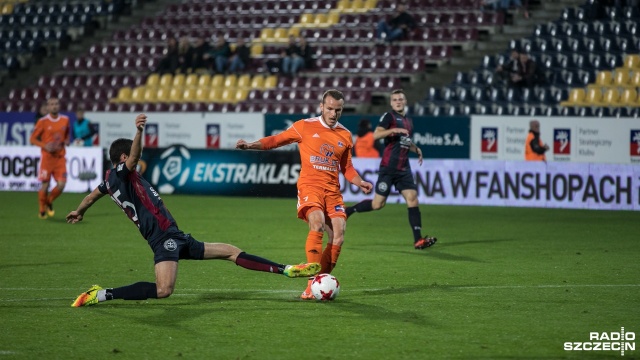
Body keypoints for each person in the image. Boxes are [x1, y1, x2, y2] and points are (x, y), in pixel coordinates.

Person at [67, 114, 321, 307]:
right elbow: (133, 158)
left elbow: (91, 197)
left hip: (175, 236)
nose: (134, 161)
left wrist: (79, 211)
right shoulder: (121, 173)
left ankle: (286, 269)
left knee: (231, 252)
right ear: (122, 158)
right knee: (164, 290)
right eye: (130, 158)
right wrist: (139, 132)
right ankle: (101, 294)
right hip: (163, 240)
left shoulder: (108, 182)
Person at [236, 89, 373, 300]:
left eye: (338, 110)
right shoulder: (304, 126)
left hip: (332, 192)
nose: (333, 113)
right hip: (310, 186)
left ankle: (321, 279)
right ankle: (312, 284)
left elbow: (347, 168)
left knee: (339, 233)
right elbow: (276, 140)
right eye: (329, 108)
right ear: (321, 106)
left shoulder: (345, 135)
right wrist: (250, 145)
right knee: (316, 222)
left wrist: (360, 181)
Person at [345, 89, 437, 250]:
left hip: (403, 169)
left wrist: (416, 149)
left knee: (412, 197)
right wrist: (393, 130)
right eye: (395, 99)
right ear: (391, 103)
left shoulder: (408, 121)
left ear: (405, 101)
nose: (398, 101)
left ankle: (418, 239)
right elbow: (376, 135)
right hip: (388, 168)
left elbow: (405, 141)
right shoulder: (389, 117)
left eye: (400, 99)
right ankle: (350, 210)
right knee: (377, 204)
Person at [30, 97, 70, 219]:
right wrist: (45, 146)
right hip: (47, 159)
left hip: (60, 158)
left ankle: (49, 201)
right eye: (51, 104)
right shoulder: (42, 121)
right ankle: (42, 210)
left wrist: (67, 141)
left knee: (62, 185)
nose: (54, 106)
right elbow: (32, 139)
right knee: (45, 185)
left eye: (56, 104)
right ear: (48, 107)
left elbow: (67, 134)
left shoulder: (65, 120)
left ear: (59, 106)